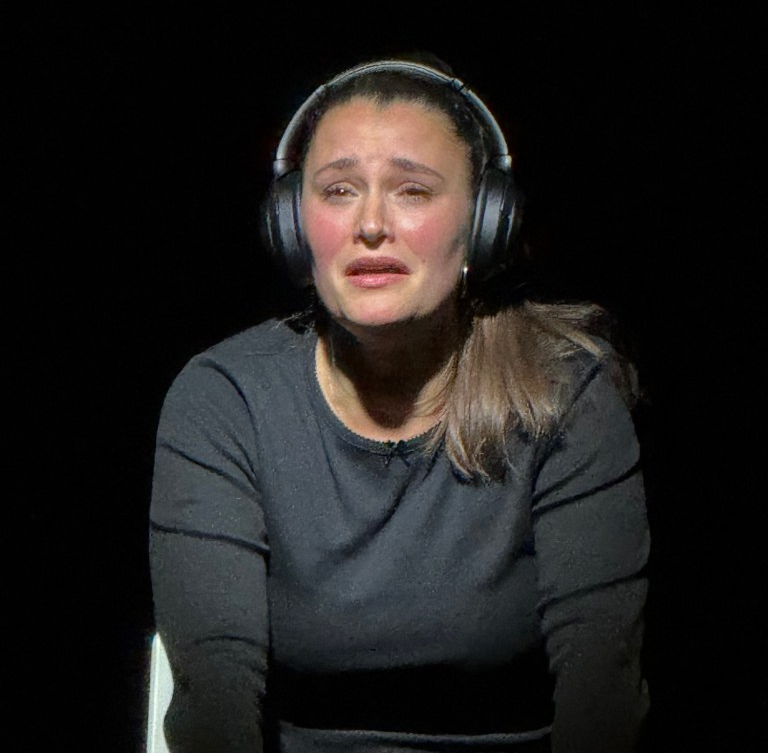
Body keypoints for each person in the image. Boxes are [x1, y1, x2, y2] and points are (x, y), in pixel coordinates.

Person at [149, 55, 650, 753]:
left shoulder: (567, 394)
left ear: (485, 222)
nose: (371, 225)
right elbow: (214, 698)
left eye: (413, 190)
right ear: (293, 225)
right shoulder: (224, 399)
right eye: (338, 190)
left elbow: (602, 693)